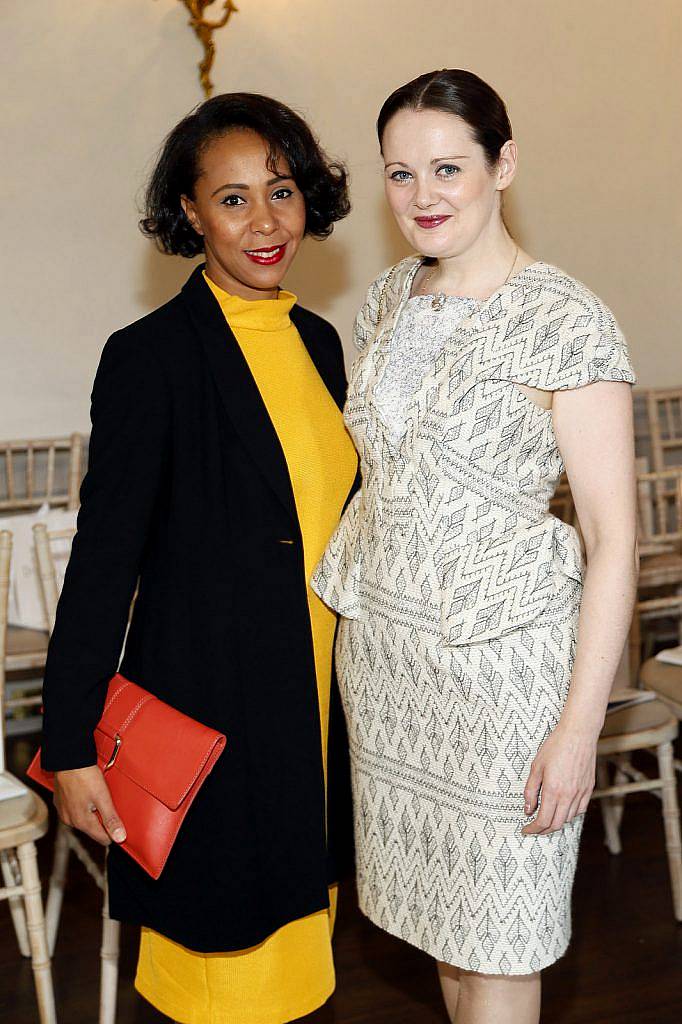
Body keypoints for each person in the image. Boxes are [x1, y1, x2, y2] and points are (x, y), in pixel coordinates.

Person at [312, 69, 638, 1024]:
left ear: (504, 166)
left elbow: (615, 543)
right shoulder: (381, 302)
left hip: (506, 677)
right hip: (392, 668)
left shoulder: (564, 316)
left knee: (501, 938)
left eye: (449, 168)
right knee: (448, 944)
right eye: (401, 174)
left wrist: (580, 729)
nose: (423, 197)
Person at [40, 92, 358, 1024]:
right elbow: (103, 562)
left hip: (319, 714)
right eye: (232, 199)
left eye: (283, 191)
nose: (265, 223)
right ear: (188, 210)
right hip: (215, 726)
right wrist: (71, 747)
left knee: (306, 975)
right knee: (226, 982)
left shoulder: (320, 342)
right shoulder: (151, 357)